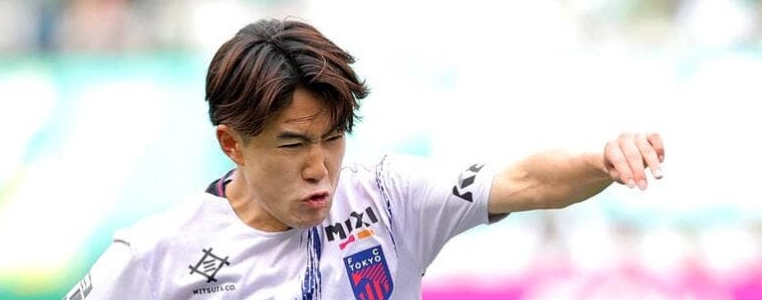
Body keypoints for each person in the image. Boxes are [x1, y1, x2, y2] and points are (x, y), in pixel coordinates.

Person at [62, 18, 666, 300]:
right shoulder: (155, 254)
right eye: (293, 144)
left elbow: (526, 180)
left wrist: (600, 161)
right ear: (232, 144)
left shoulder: (388, 195)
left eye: (333, 138)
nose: (319, 166)